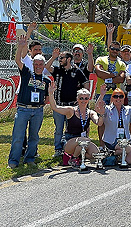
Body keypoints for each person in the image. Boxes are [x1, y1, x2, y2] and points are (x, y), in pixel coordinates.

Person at [9, 34, 52, 169]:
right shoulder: (26, 72)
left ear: (44, 65)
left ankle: (30, 159)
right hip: (23, 109)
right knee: (18, 137)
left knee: (34, 137)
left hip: (38, 111)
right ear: (33, 64)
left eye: (41, 64)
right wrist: (21, 46)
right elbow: (17, 60)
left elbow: (46, 98)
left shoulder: (46, 80)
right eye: (36, 64)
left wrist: (41, 103)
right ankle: (13, 161)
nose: (38, 66)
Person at [50, 49, 89, 158]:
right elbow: (47, 67)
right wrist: (53, 57)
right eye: (59, 58)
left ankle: (69, 149)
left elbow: (86, 83)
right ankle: (58, 149)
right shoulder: (58, 70)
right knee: (58, 128)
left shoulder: (76, 70)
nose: (59, 60)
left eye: (61, 58)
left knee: (70, 129)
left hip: (72, 106)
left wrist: (82, 97)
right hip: (59, 105)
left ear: (69, 59)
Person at [51, 87, 102, 166]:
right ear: (77, 99)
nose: (83, 100)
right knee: (84, 141)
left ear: (89, 99)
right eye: (81, 98)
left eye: (86, 98)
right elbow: (55, 107)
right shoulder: (71, 110)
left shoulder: (90, 113)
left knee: (95, 154)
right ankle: (74, 158)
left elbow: (99, 123)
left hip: (84, 142)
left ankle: (79, 157)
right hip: (70, 141)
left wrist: (101, 113)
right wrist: (51, 94)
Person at [94, 86, 131, 166]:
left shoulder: (128, 109)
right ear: (112, 98)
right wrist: (102, 95)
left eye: (121, 96)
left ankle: (116, 154)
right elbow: (97, 109)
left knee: (130, 161)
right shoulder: (107, 109)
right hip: (112, 141)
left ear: (124, 98)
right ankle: (116, 152)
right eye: (115, 96)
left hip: (125, 140)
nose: (118, 98)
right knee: (127, 149)